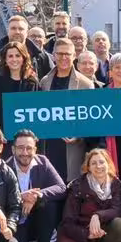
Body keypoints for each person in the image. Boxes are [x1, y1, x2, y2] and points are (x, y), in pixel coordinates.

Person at [54, 148, 121, 242]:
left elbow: (117, 209)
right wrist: (86, 234)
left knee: (119, 224)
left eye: (101, 162)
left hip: (100, 232)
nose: (98, 166)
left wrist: (97, 215)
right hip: (74, 235)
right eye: (93, 163)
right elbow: (67, 222)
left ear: (108, 164)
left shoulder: (115, 184)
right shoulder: (77, 186)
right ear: (88, 167)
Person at [9, 130, 68, 242]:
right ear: (13, 149)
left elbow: (61, 188)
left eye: (29, 148)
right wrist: (21, 196)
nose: (25, 152)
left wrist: (37, 195)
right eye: (20, 148)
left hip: (37, 219)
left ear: (35, 149)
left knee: (50, 205)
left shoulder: (43, 162)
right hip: (16, 221)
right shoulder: (5, 166)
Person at [38, 37, 96, 180]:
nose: (63, 57)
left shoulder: (85, 84)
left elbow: (91, 118)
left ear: (74, 55)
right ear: (53, 55)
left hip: (72, 148)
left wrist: (79, 135)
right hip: (49, 145)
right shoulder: (44, 82)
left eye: (67, 54)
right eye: (60, 54)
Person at [0, 41, 39, 129]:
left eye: (18, 56)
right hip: (0, 133)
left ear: (24, 58)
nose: (14, 59)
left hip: (25, 133)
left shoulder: (32, 82)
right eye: (10, 56)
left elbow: (36, 110)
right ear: (5, 59)